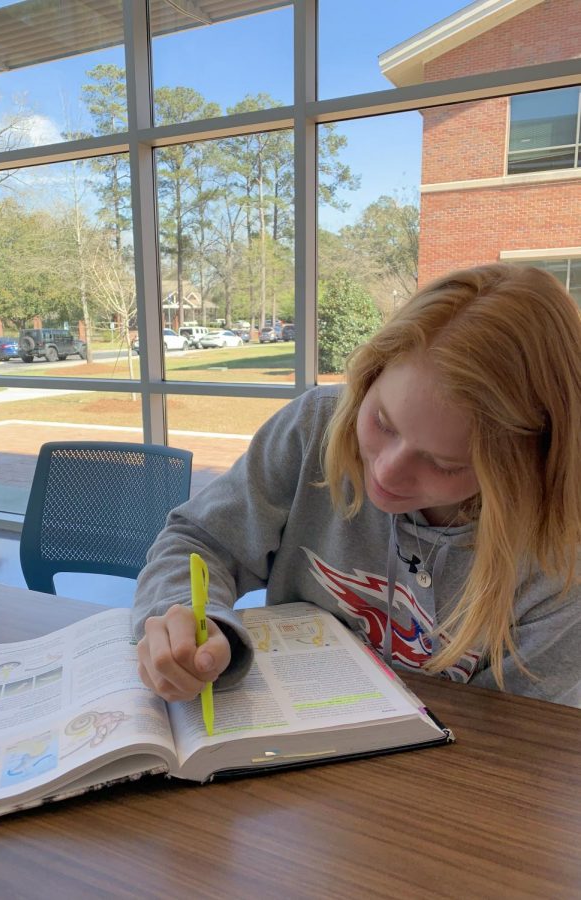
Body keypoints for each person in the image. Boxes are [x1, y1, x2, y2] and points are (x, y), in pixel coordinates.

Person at [133, 263, 581, 708]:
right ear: (370, 375)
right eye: (382, 422)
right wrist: (191, 621)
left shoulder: (558, 556)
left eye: (444, 464)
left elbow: (525, 736)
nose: (385, 474)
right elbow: (200, 539)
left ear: (525, 470)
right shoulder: (314, 429)